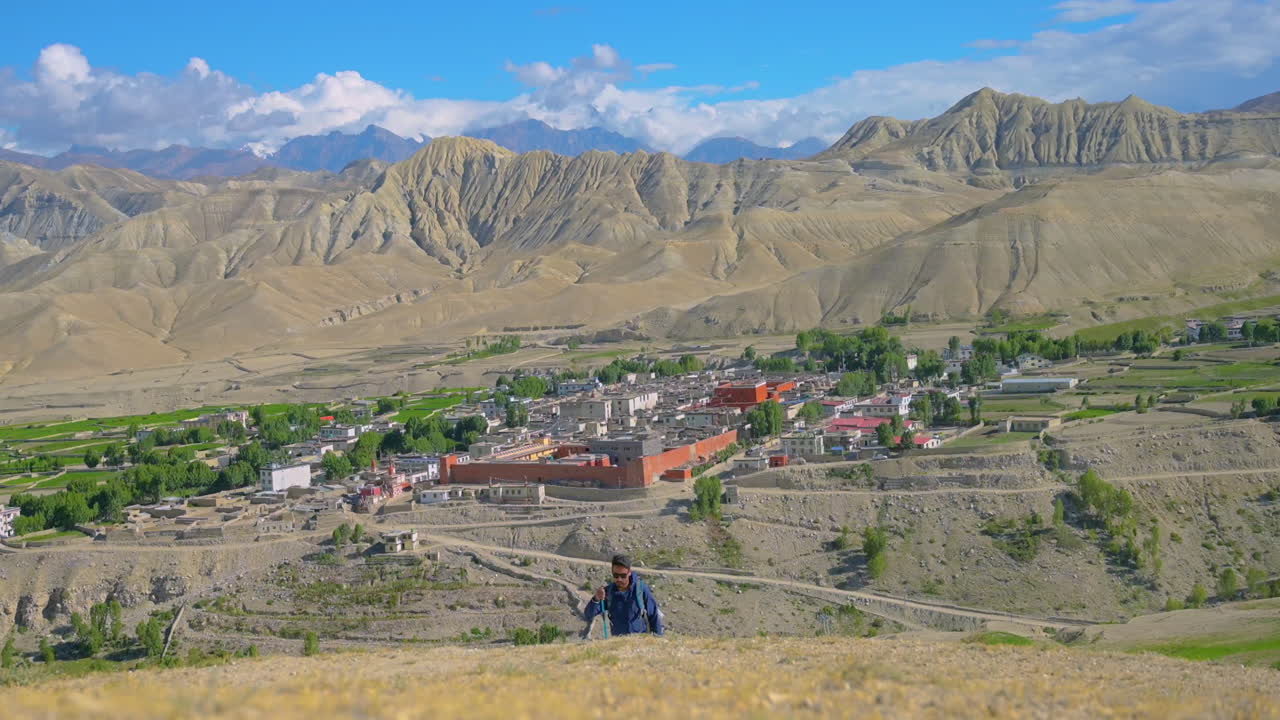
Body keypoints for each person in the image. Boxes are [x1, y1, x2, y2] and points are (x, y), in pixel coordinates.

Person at [585, 554, 663, 636]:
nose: (619, 579)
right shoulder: (608, 592)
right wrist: (596, 598)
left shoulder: (640, 589)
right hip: (619, 644)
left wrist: (657, 640)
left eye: (623, 576)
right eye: (616, 575)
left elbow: (654, 615)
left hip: (640, 642)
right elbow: (588, 614)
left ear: (629, 572)